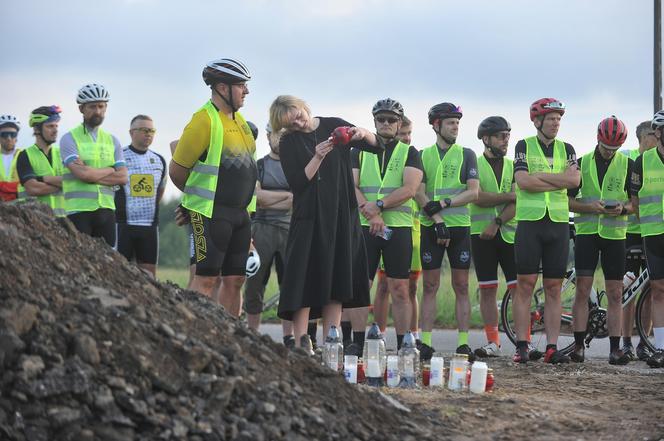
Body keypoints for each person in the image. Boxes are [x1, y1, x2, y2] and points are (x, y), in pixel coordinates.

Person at [269, 95, 380, 353]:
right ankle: (301, 343)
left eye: (297, 113)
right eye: (291, 123)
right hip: (309, 218)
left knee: (337, 279)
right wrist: (317, 157)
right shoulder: (289, 142)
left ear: (302, 106)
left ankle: (333, 341)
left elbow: (376, 146)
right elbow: (298, 183)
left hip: (341, 215)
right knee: (304, 278)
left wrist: (362, 133)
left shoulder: (333, 124)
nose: (298, 122)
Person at [169, 58, 256, 317]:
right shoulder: (203, 120)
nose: (246, 91)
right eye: (241, 85)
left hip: (240, 215)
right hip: (210, 213)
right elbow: (177, 169)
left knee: (236, 280)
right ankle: (195, 330)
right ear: (221, 87)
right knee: (206, 279)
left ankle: (231, 335)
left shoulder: (241, 122)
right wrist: (191, 204)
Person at [350, 99, 423, 351]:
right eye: (381, 119)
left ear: (399, 123)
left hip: (398, 228)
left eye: (391, 119)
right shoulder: (358, 150)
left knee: (400, 288)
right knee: (361, 286)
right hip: (364, 226)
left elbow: (410, 189)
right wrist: (372, 215)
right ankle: (357, 343)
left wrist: (378, 207)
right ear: (374, 122)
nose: (386, 123)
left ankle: (404, 344)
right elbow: (353, 186)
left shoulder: (410, 152)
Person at [512, 98, 579, 364]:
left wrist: (541, 179)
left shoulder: (568, 148)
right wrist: (558, 180)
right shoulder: (523, 145)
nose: (556, 123)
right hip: (530, 222)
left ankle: (552, 348)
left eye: (558, 118)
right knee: (525, 286)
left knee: (553, 288)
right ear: (537, 120)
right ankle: (522, 346)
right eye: (551, 118)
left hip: (558, 223)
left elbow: (574, 180)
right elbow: (523, 182)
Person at [414, 102, 479, 361]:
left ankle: (463, 343)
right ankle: (426, 342)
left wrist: (445, 203)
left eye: (457, 123)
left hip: (460, 227)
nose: (456, 127)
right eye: (451, 122)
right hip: (432, 227)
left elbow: (473, 192)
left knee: (461, 286)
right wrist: (438, 219)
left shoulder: (467, 154)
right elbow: (419, 192)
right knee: (429, 285)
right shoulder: (422, 154)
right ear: (436, 125)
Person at [569, 116, 633, 365]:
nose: (609, 153)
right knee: (583, 290)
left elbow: (634, 204)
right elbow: (567, 200)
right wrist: (589, 207)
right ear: (597, 140)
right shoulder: (581, 163)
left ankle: (615, 349)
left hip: (615, 236)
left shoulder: (628, 165)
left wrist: (623, 209)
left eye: (614, 149)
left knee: (615, 293)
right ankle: (577, 347)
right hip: (587, 234)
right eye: (606, 148)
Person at [469, 116, 518, 358]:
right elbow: (476, 196)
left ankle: (524, 342)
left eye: (507, 135)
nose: (505, 140)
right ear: (486, 139)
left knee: (519, 289)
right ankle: (494, 343)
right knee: (487, 289)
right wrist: (507, 196)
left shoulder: (513, 165)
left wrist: (497, 222)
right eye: (501, 136)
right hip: (480, 237)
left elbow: (517, 201)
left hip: (508, 233)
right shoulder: (474, 164)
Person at [243, 123, 295, 343]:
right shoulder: (258, 166)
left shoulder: (296, 166)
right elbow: (257, 199)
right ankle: (252, 335)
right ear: (267, 136)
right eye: (277, 134)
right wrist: (287, 197)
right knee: (254, 284)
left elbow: (297, 198)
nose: (281, 139)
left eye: (285, 135)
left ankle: (289, 337)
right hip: (261, 230)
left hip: (289, 230)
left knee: (290, 285)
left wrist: (268, 197)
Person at [372, 115, 422, 342]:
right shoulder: (375, 152)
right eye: (403, 134)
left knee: (407, 288)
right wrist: (375, 211)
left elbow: (415, 192)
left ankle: (412, 337)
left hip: (407, 231)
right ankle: (379, 334)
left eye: (409, 134)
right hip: (376, 225)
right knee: (382, 285)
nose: (406, 138)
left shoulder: (412, 155)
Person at [60, 83, 128, 246]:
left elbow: (123, 177)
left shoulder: (113, 140)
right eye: (92, 107)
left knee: (109, 263)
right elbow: (83, 175)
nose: (97, 111)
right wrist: (111, 169)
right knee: (79, 261)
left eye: (101, 106)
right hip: (78, 211)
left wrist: (91, 174)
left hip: (107, 211)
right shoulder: (69, 139)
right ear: (81, 109)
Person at [620, 120, 657, 360]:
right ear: (644, 138)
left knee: (653, 290)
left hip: (653, 232)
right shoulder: (627, 159)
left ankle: (644, 341)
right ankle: (626, 342)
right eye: (656, 135)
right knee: (628, 290)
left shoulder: (658, 159)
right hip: (629, 233)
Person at [115, 115, 167, 277]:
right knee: (120, 272)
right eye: (144, 130)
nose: (148, 134)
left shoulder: (159, 160)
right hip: (123, 225)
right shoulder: (119, 157)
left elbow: (160, 191)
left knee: (149, 275)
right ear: (132, 133)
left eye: (152, 131)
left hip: (149, 226)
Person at [632, 110, 664, 368]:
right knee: (659, 291)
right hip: (654, 235)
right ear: (657, 133)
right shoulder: (642, 162)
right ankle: (662, 347)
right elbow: (635, 200)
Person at [15, 106, 65, 216]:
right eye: (50, 126)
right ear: (37, 129)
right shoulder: (25, 155)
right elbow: (33, 188)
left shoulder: (63, 154)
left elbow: (73, 181)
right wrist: (62, 184)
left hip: (64, 222)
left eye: (56, 126)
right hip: (36, 222)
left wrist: (42, 178)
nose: (55, 130)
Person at [0, 114, 22, 201]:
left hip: (20, 207)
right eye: (4, 134)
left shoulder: (25, 156)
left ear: (16, 137)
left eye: (12, 134)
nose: (9, 138)